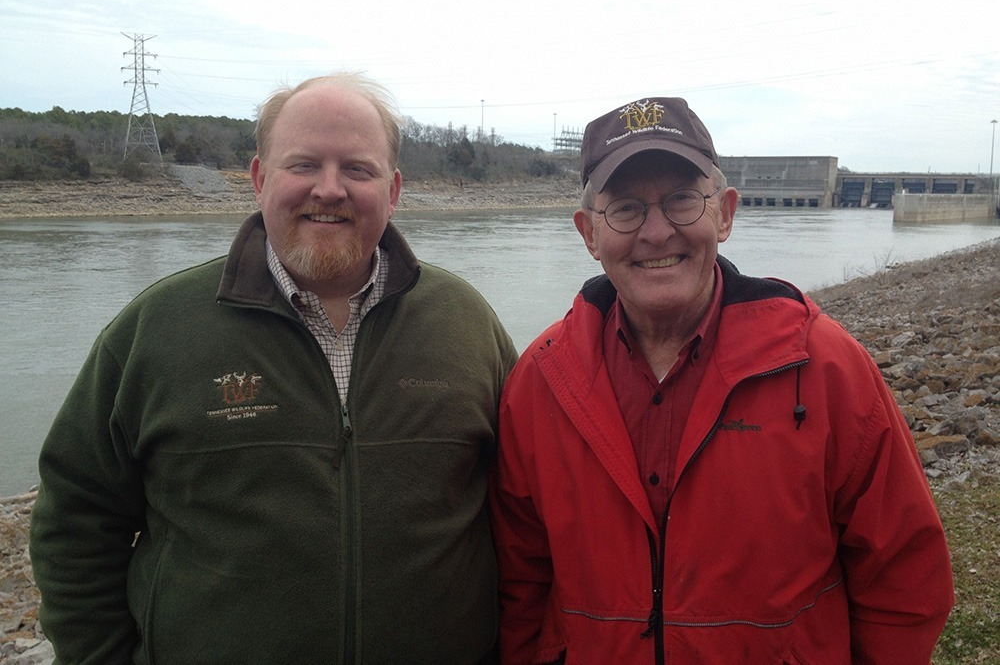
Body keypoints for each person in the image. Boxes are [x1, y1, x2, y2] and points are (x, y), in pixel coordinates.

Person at [29, 73, 518, 664]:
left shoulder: (464, 323)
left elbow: (522, 512)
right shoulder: (158, 329)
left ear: (393, 190)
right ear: (260, 179)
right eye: (304, 165)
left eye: (357, 170)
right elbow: (77, 519)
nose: (329, 190)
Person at [489, 97, 954, 664]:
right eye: (627, 208)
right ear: (589, 234)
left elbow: (902, 577)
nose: (658, 233)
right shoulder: (540, 383)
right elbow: (521, 586)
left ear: (725, 213)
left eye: (682, 200)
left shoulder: (825, 367)